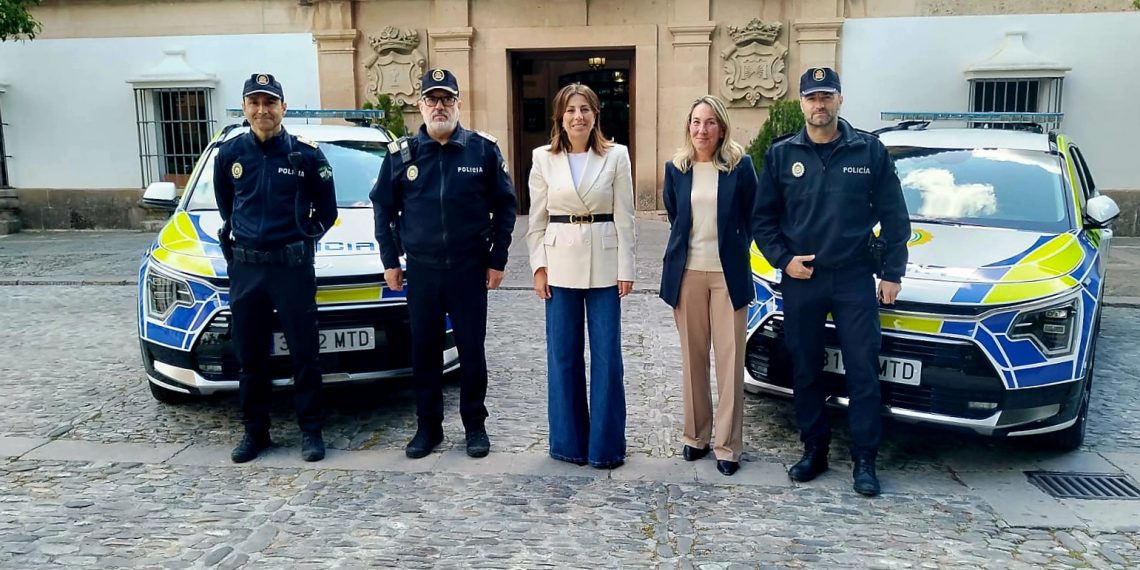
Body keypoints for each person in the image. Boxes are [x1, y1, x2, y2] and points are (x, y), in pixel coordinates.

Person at [751, 67, 911, 496]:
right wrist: (784, 261)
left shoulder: (869, 152)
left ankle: (865, 459)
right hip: (803, 279)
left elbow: (896, 217)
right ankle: (814, 450)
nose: (819, 105)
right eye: (811, 98)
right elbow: (762, 220)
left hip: (854, 278)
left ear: (840, 100)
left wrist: (893, 272)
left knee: (862, 370)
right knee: (805, 369)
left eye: (826, 96)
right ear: (801, 103)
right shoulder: (782, 155)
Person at [370, 68, 517, 460]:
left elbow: (506, 207)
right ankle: (427, 427)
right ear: (420, 106)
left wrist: (497, 259)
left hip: (469, 270)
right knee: (424, 352)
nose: (439, 106)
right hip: (422, 271)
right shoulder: (402, 155)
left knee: (471, 351)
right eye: (432, 99)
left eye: (447, 99)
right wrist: (390, 260)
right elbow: (383, 207)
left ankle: (475, 426)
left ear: (458, 104)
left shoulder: (482, 150)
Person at [214, 73, 338, 464]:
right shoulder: (230, 154)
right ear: (245, 108)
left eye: (270, 103)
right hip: (248, 269)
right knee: (250, 355)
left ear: (283, 108)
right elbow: (226, 205)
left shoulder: (306, 155)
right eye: (255, 102)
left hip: (291, 269)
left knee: (304, 354)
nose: (262, 110)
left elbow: (327, 211)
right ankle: (255, 432)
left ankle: (312, 431)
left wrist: (301, 239)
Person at [525, 83, 635, 469]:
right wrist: (538, 268)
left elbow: (626, 217)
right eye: (571, 109)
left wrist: (627, 268)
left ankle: (606, 447)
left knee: (607, 358)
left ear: (596, 114)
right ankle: (568, 443)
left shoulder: (616, 156)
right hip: (558, 265)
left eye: (585, 109)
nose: (578, 116)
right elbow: (536, 222)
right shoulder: (543, 159)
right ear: (560, 116)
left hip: (605, 266)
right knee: (563, 357)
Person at [659, 95, 757, 477]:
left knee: (730, 362)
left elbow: (752, 215)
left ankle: (728, 446)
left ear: (722, 127)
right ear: (689, 126)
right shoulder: (676, 168)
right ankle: (696, 437)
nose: (702, 130)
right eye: (697, 122)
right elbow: (674, 215)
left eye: (710, 123)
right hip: (687, 274)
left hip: (727, 275)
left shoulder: (740, 167)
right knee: (692, 359)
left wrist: (733, 249)